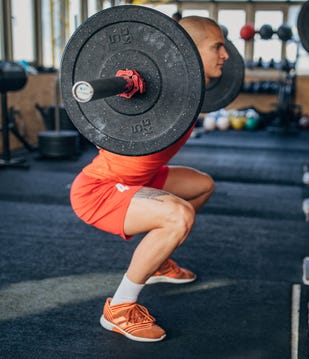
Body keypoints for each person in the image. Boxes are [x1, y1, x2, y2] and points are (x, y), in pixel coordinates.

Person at [70, 16, 229, 342]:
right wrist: (126, 88)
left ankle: (156, 261)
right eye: (218, 47)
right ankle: (120, 308)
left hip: (144, 178)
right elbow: (100, 130)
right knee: (178, 216)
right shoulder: (144, 91)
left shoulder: (184, 93)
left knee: (202, 186)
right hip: (100, 191)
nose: (226, 55)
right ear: (190, 50)